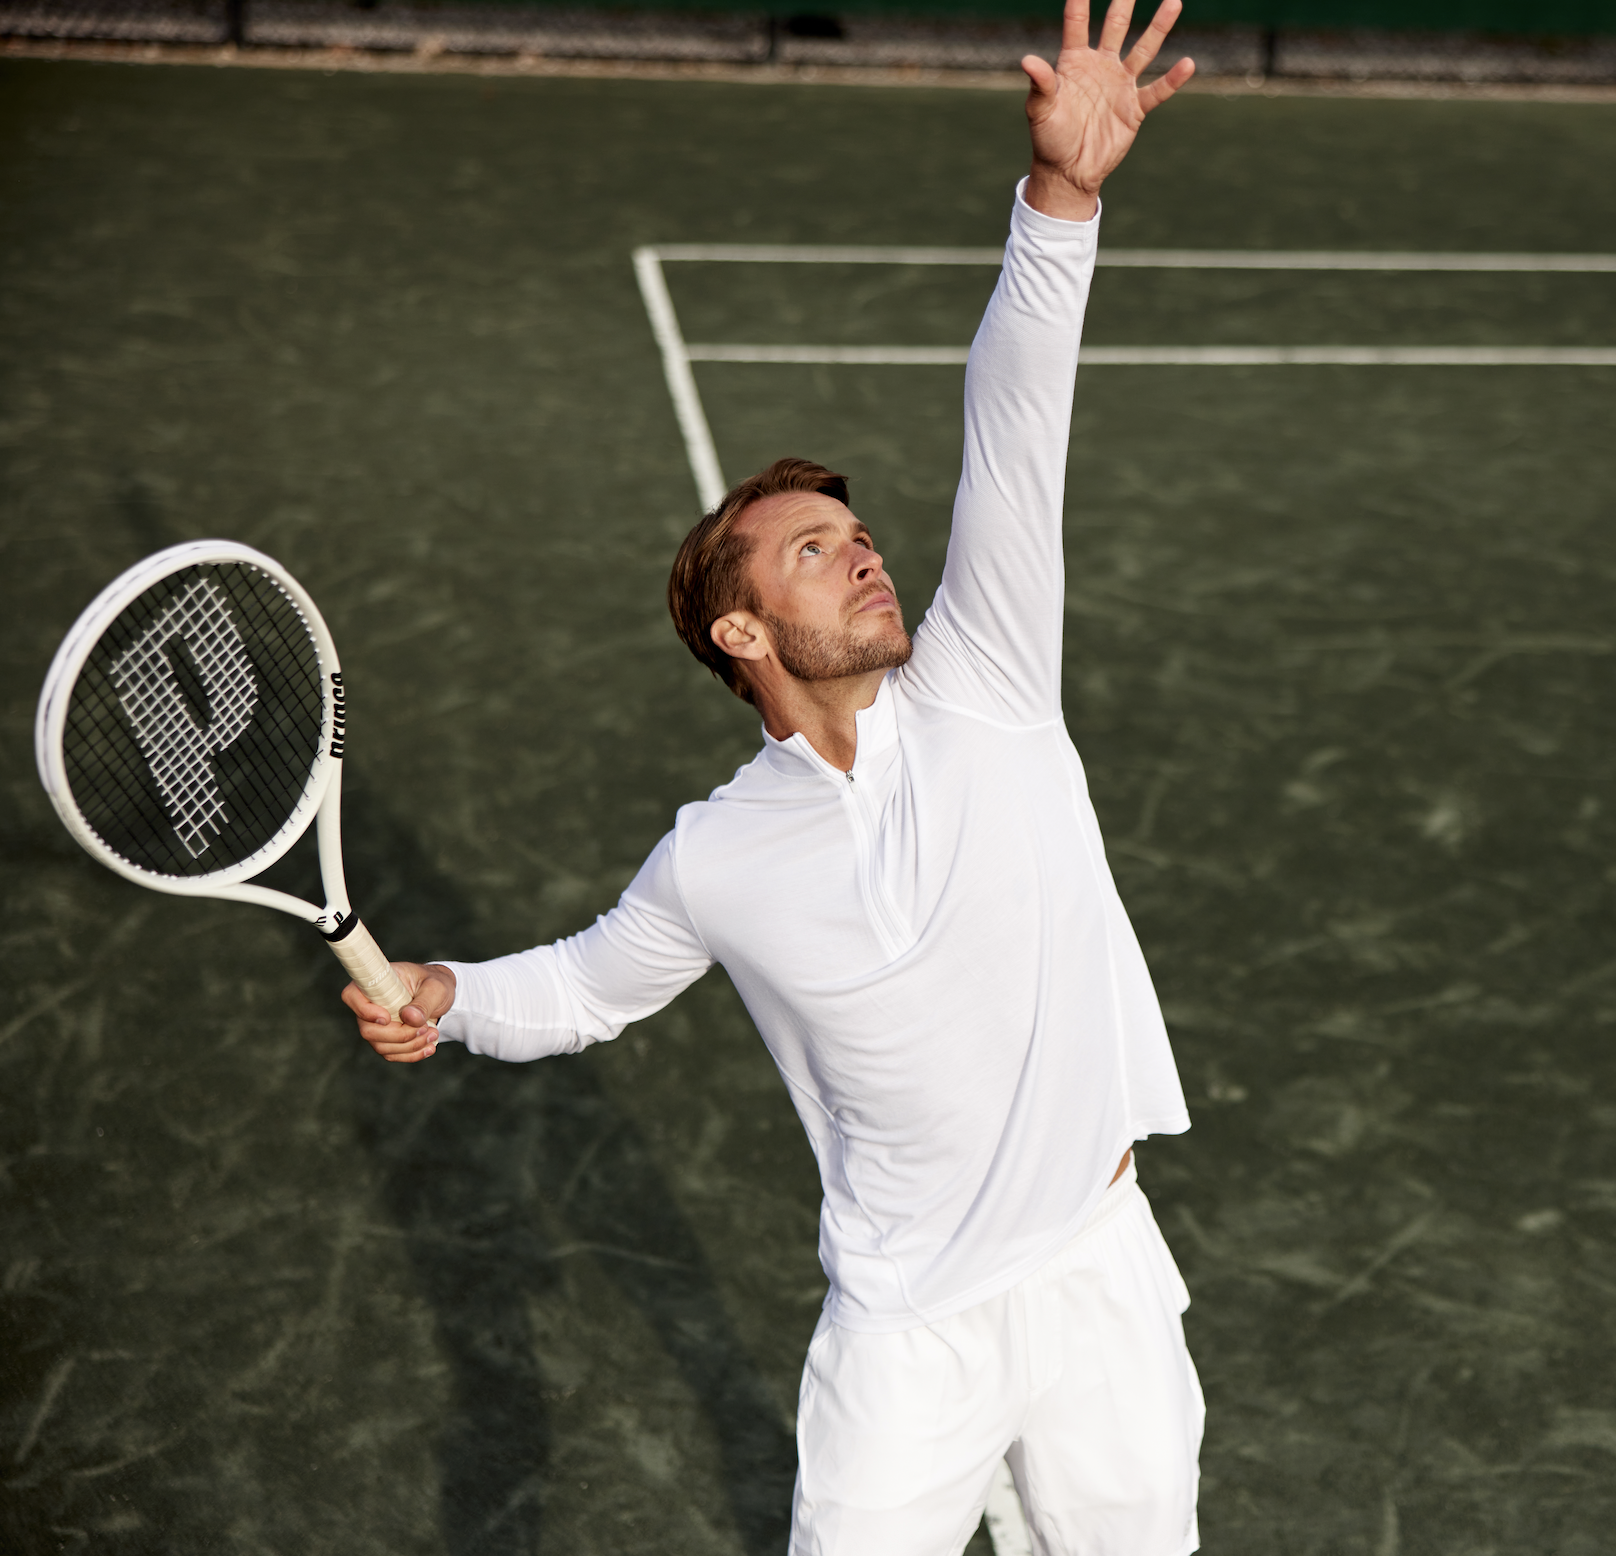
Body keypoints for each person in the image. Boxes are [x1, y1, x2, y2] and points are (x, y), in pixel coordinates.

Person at [345, 3, 1202, 1550]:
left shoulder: (988, 679)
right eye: (815, 550)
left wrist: (1062, 197)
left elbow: (1018, 417)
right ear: (742, 633)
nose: (865, 556)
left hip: (1095, 1277)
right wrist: (447, 993)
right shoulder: (718, 856)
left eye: (859, 537)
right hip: (907, 1341)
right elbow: (586, 987)